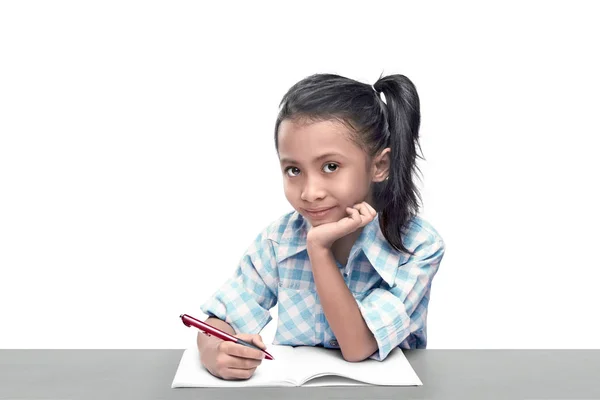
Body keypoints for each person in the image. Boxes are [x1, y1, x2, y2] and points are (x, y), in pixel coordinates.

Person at [196, 72, 446, 380]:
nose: (309, 192)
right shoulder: (278, 241)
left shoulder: (418, 246)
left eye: (331, 167)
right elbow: (221, 318)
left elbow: (358, 346)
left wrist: (318, 248)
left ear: (379, 165)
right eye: (293, 170)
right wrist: (214, 350)